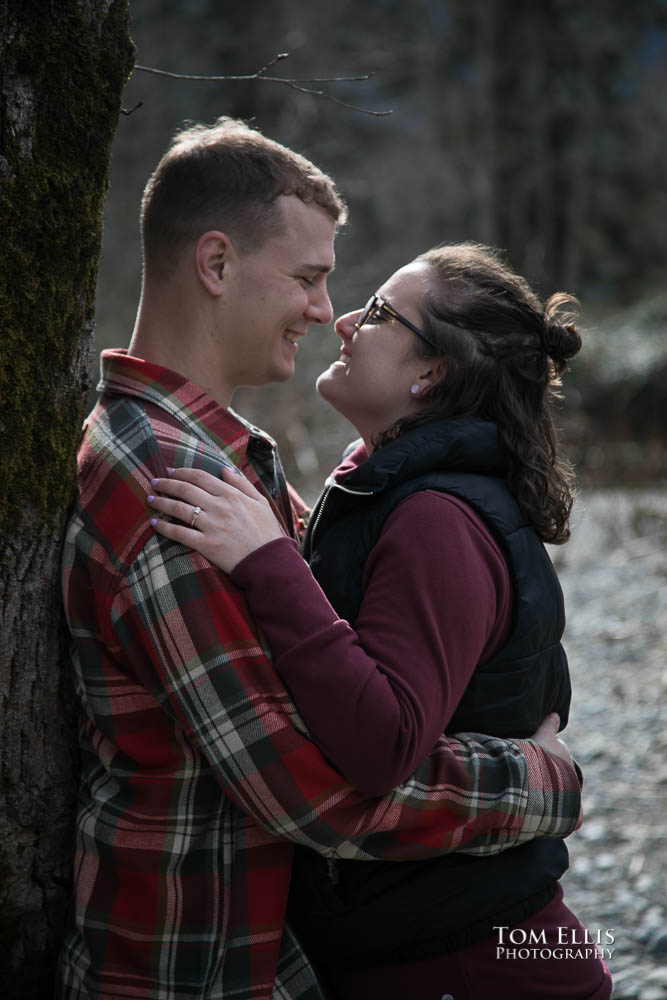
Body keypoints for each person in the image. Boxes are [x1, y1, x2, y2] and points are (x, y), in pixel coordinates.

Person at [57, 117, 583, 1000]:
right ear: (216, 266)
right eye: (306, 278)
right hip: (187, 967)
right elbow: (316, 795)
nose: (321, 310)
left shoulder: (225, 462)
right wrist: (539, 783)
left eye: (350, 297)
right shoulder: (167, 486)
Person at [149, 242, 613, 1000]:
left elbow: (382, 741)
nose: (343, 321)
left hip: (476, 965)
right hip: (429, 949)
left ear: (429, 375)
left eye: (379, 314)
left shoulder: (435, 518)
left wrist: (270, 563)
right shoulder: (380, 484)